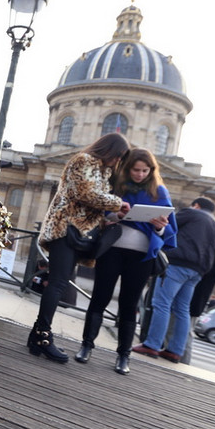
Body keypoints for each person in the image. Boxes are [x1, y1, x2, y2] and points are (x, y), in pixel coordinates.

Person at [27, 133, 131, 362]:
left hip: (78, 231)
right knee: (58, 283)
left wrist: (108, 218)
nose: (118, 161)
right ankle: (43, 337)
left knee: (59, 282)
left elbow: (90, 204)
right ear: (108, 149)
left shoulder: (102, 171)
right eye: (118, 156)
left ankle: (36, 336)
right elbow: (84, 193)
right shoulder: (83, 160)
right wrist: (118, 203)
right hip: (65, 227)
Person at [75, 148, 177, 375]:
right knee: (100, 298)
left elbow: (168, 230)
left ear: (151, 170)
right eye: (135, 170)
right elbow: (99, 214)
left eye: (145, 171)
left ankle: (123, 356)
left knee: (129, 306)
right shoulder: (116, 187)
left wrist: (159, 228)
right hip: (112, 250)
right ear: (127, 168)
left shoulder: (159, 192)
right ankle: (86, 346)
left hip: (141, 256)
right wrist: (115, 215)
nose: (140, 174)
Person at [133, 197, 215, 362]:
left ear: (196, 205)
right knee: (182, 309)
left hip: (178, 263)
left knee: (161, 303)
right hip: (197, 271)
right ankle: (175, 350)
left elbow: (168, 225)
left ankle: (152, 345)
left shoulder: (192, 213)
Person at [178, 246, 215, 364]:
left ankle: (183, 363)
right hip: (189, 300)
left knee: (185, 334)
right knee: (180, 333)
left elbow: (208, 275)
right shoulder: (210, 250)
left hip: (194, 301)